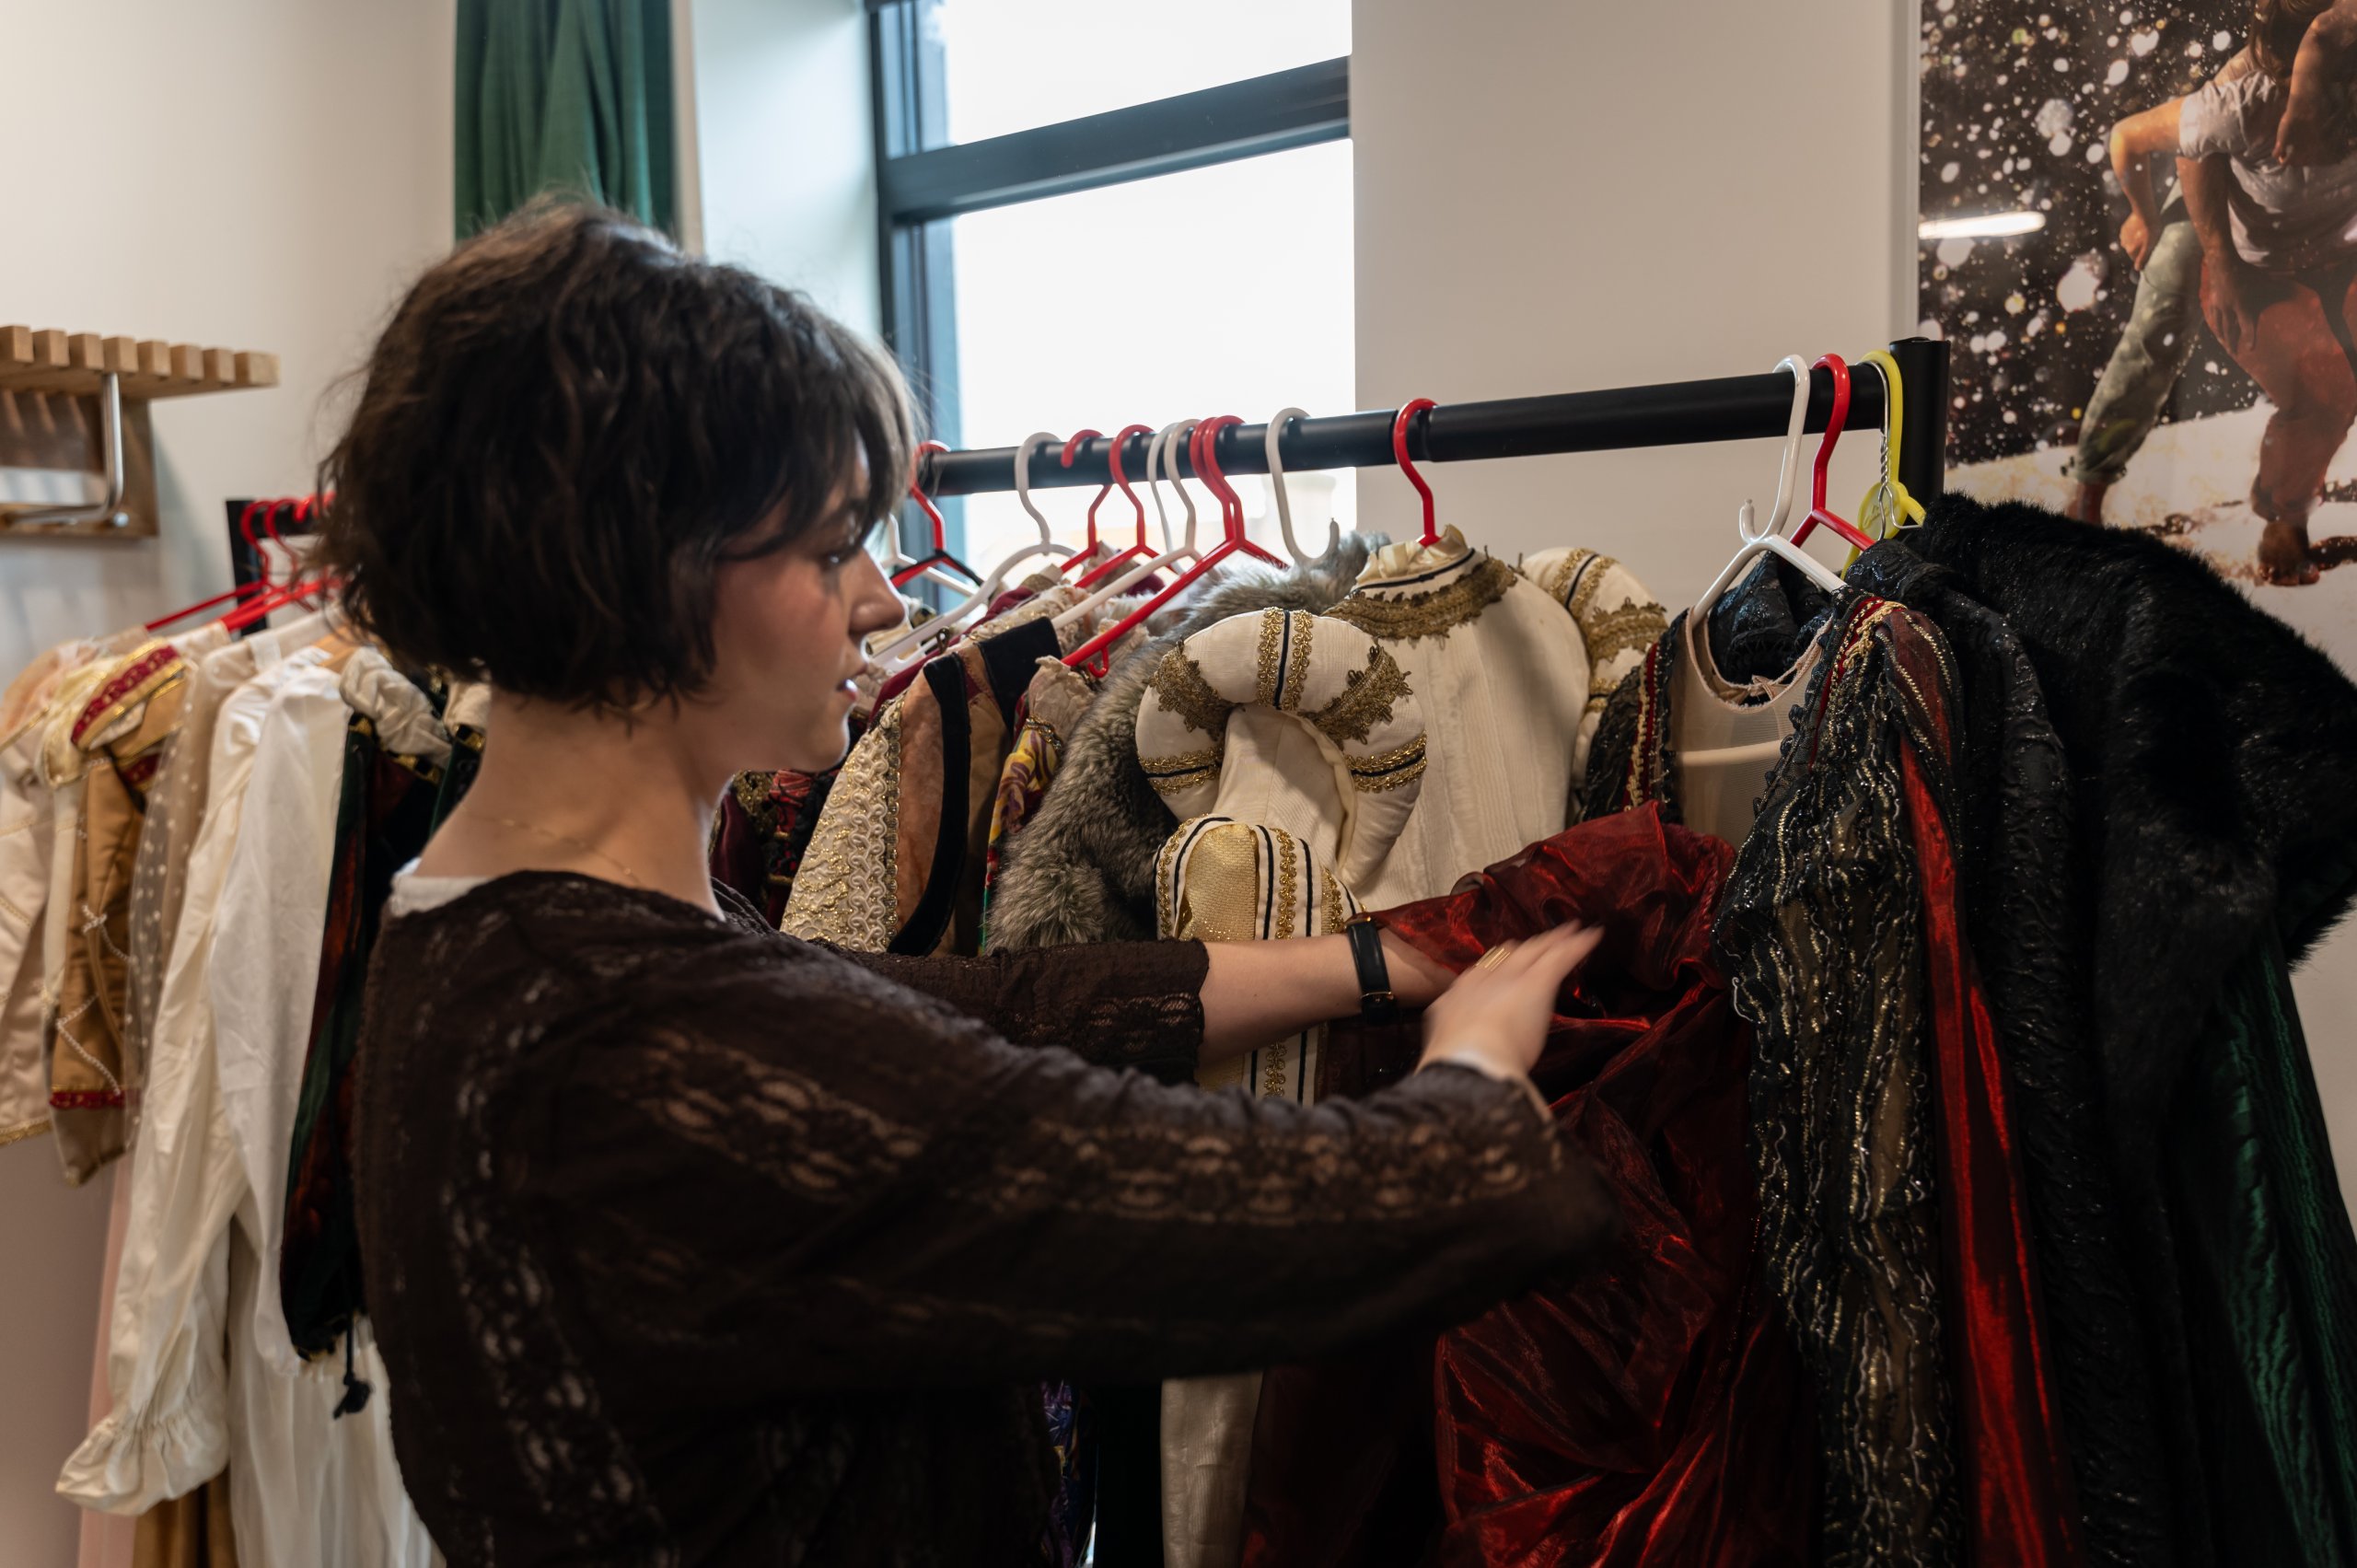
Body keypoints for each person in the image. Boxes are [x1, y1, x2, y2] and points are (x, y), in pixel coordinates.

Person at [319, 201, 1619, 1565]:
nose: (883, 602)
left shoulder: (478, 927)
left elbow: (962, 1014)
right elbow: (1238, 1219)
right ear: (651, 573)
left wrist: (1378, 962)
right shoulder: (628, 1035)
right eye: (829, 551)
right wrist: (1471, 1083)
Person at [2183, 0, 2357, 582]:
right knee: (2326, 394)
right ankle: (2285, 513)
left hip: (2345, 251)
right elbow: (2168, 146)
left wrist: (2318, 66)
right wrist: (2221, 263)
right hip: (2262, 270)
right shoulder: (2241, 98)